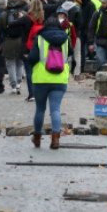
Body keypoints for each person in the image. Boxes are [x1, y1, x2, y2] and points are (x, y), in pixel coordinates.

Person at [26, 17, 70, 149]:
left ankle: (37, 138)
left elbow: (32, 58)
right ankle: (55, 139)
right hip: (60, 78)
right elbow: (71, 54)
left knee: (40, 108)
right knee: (55, 109)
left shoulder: (39, 38)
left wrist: (28, 60)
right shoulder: (65, 39)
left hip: (41, 79)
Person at [0, 0, 30, 95]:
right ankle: (18, 83)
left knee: (10, 64)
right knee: (20, 63)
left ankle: (13, 85)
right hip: (21, 41)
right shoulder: (24, 14)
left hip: (8, 41)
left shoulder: (4, 14)